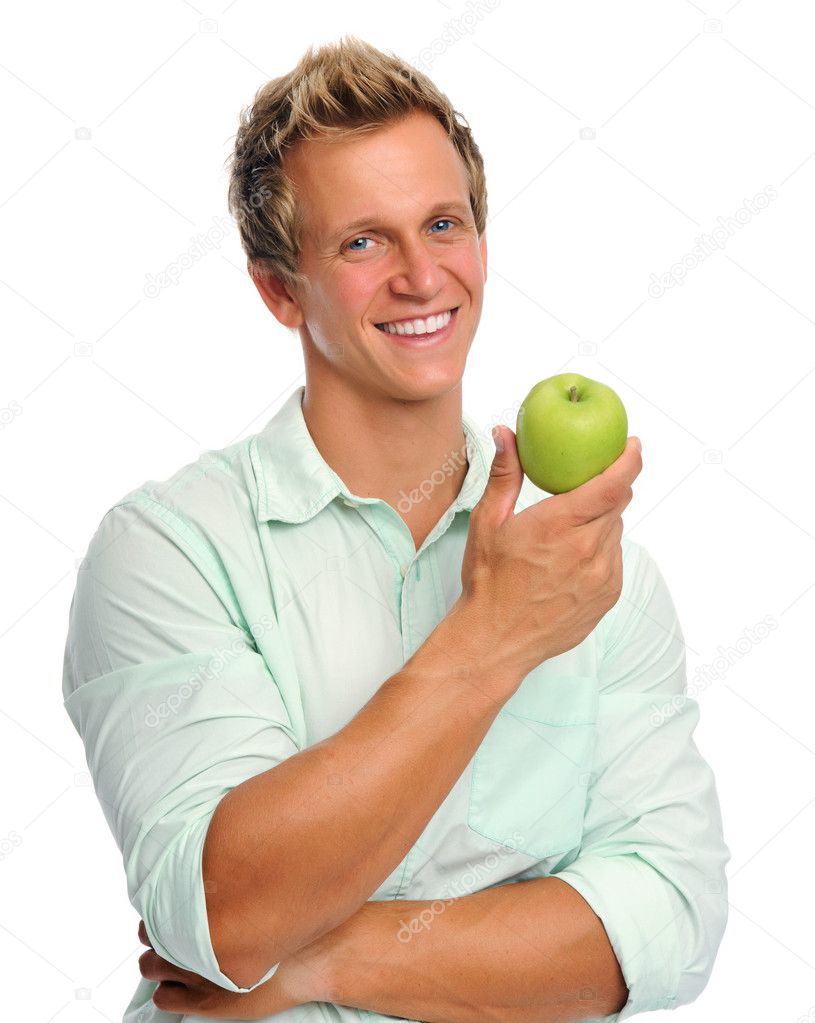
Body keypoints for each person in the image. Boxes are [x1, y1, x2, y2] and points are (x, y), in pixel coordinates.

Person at [62, 35, 730, 1023]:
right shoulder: (168, 551)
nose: (421, 277)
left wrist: (325, 960)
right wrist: (492, 639)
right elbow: (231, 912)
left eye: (443, 225)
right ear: (280, 288)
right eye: (363, 242)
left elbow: (668, 917)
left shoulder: (593, 575)